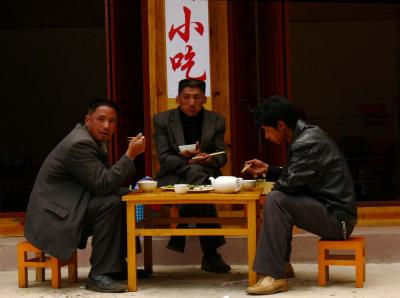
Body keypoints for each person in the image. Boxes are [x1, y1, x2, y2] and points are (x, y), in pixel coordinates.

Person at [25, 99, 148, 293]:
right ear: (88, 120)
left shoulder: (93, 140)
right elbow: (104, 184)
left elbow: (104, 182)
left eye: (112, 121)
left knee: (125, 200)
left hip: (72, 206)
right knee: (111, 204)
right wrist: (130, 155)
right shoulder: (79, 144)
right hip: (54, 218)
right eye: (101, 119)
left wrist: (135, 192)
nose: (106, 126)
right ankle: (99, 275)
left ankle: (117, 265)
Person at [243, 96, 357, 295]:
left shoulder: (307, 142)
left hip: (338, 220)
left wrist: (271, 187)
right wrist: (268, 170)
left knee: (276, 200)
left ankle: (274, 275)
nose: (267, 137)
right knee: (277, 199)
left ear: (280, 125)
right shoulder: (305, 136)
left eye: (267, 131)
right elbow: (295, 176)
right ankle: (282, 265)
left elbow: (289, 184)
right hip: (329, 210)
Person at [153, 78, 231, 273]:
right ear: (178, 98)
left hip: (205, 173)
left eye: (197, 97)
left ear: (204, 99)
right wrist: (189, 162)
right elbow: (163, 157)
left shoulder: (216, 121)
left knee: (199, 173)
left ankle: (180, 234)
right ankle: (211, 255)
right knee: (197, 174)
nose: (191, 103)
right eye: (186, 97)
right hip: (173, 176)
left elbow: (221, 156)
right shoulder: (162, 120)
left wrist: (208, 159)